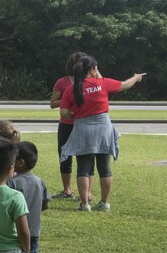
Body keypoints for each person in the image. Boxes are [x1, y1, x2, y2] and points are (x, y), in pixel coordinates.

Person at [59, 54, 146, 212]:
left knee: (83, 168)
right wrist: (136, 77)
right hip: (103, 128)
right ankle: (104, 203)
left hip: (82, 128)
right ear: (93, 70)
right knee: (104, 168)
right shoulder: (103, 83)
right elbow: (125, 85)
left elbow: (64, 112)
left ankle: (84, 204)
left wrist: (76, 113)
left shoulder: (72, 89)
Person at [7, 142, 49, 253]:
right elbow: (46, 204)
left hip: (15, 231)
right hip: (34, 230)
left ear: (20, 162)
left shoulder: (12, 183)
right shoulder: (39, 181)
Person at [49, 51, 84, 199]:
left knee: (84, 157)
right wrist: (66, 100)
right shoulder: (62, 82)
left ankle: (86, 192)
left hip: (83, 124)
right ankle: (67, 190)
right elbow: (52, 103)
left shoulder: (88, 82)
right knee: (65, 156)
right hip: (66, 124)